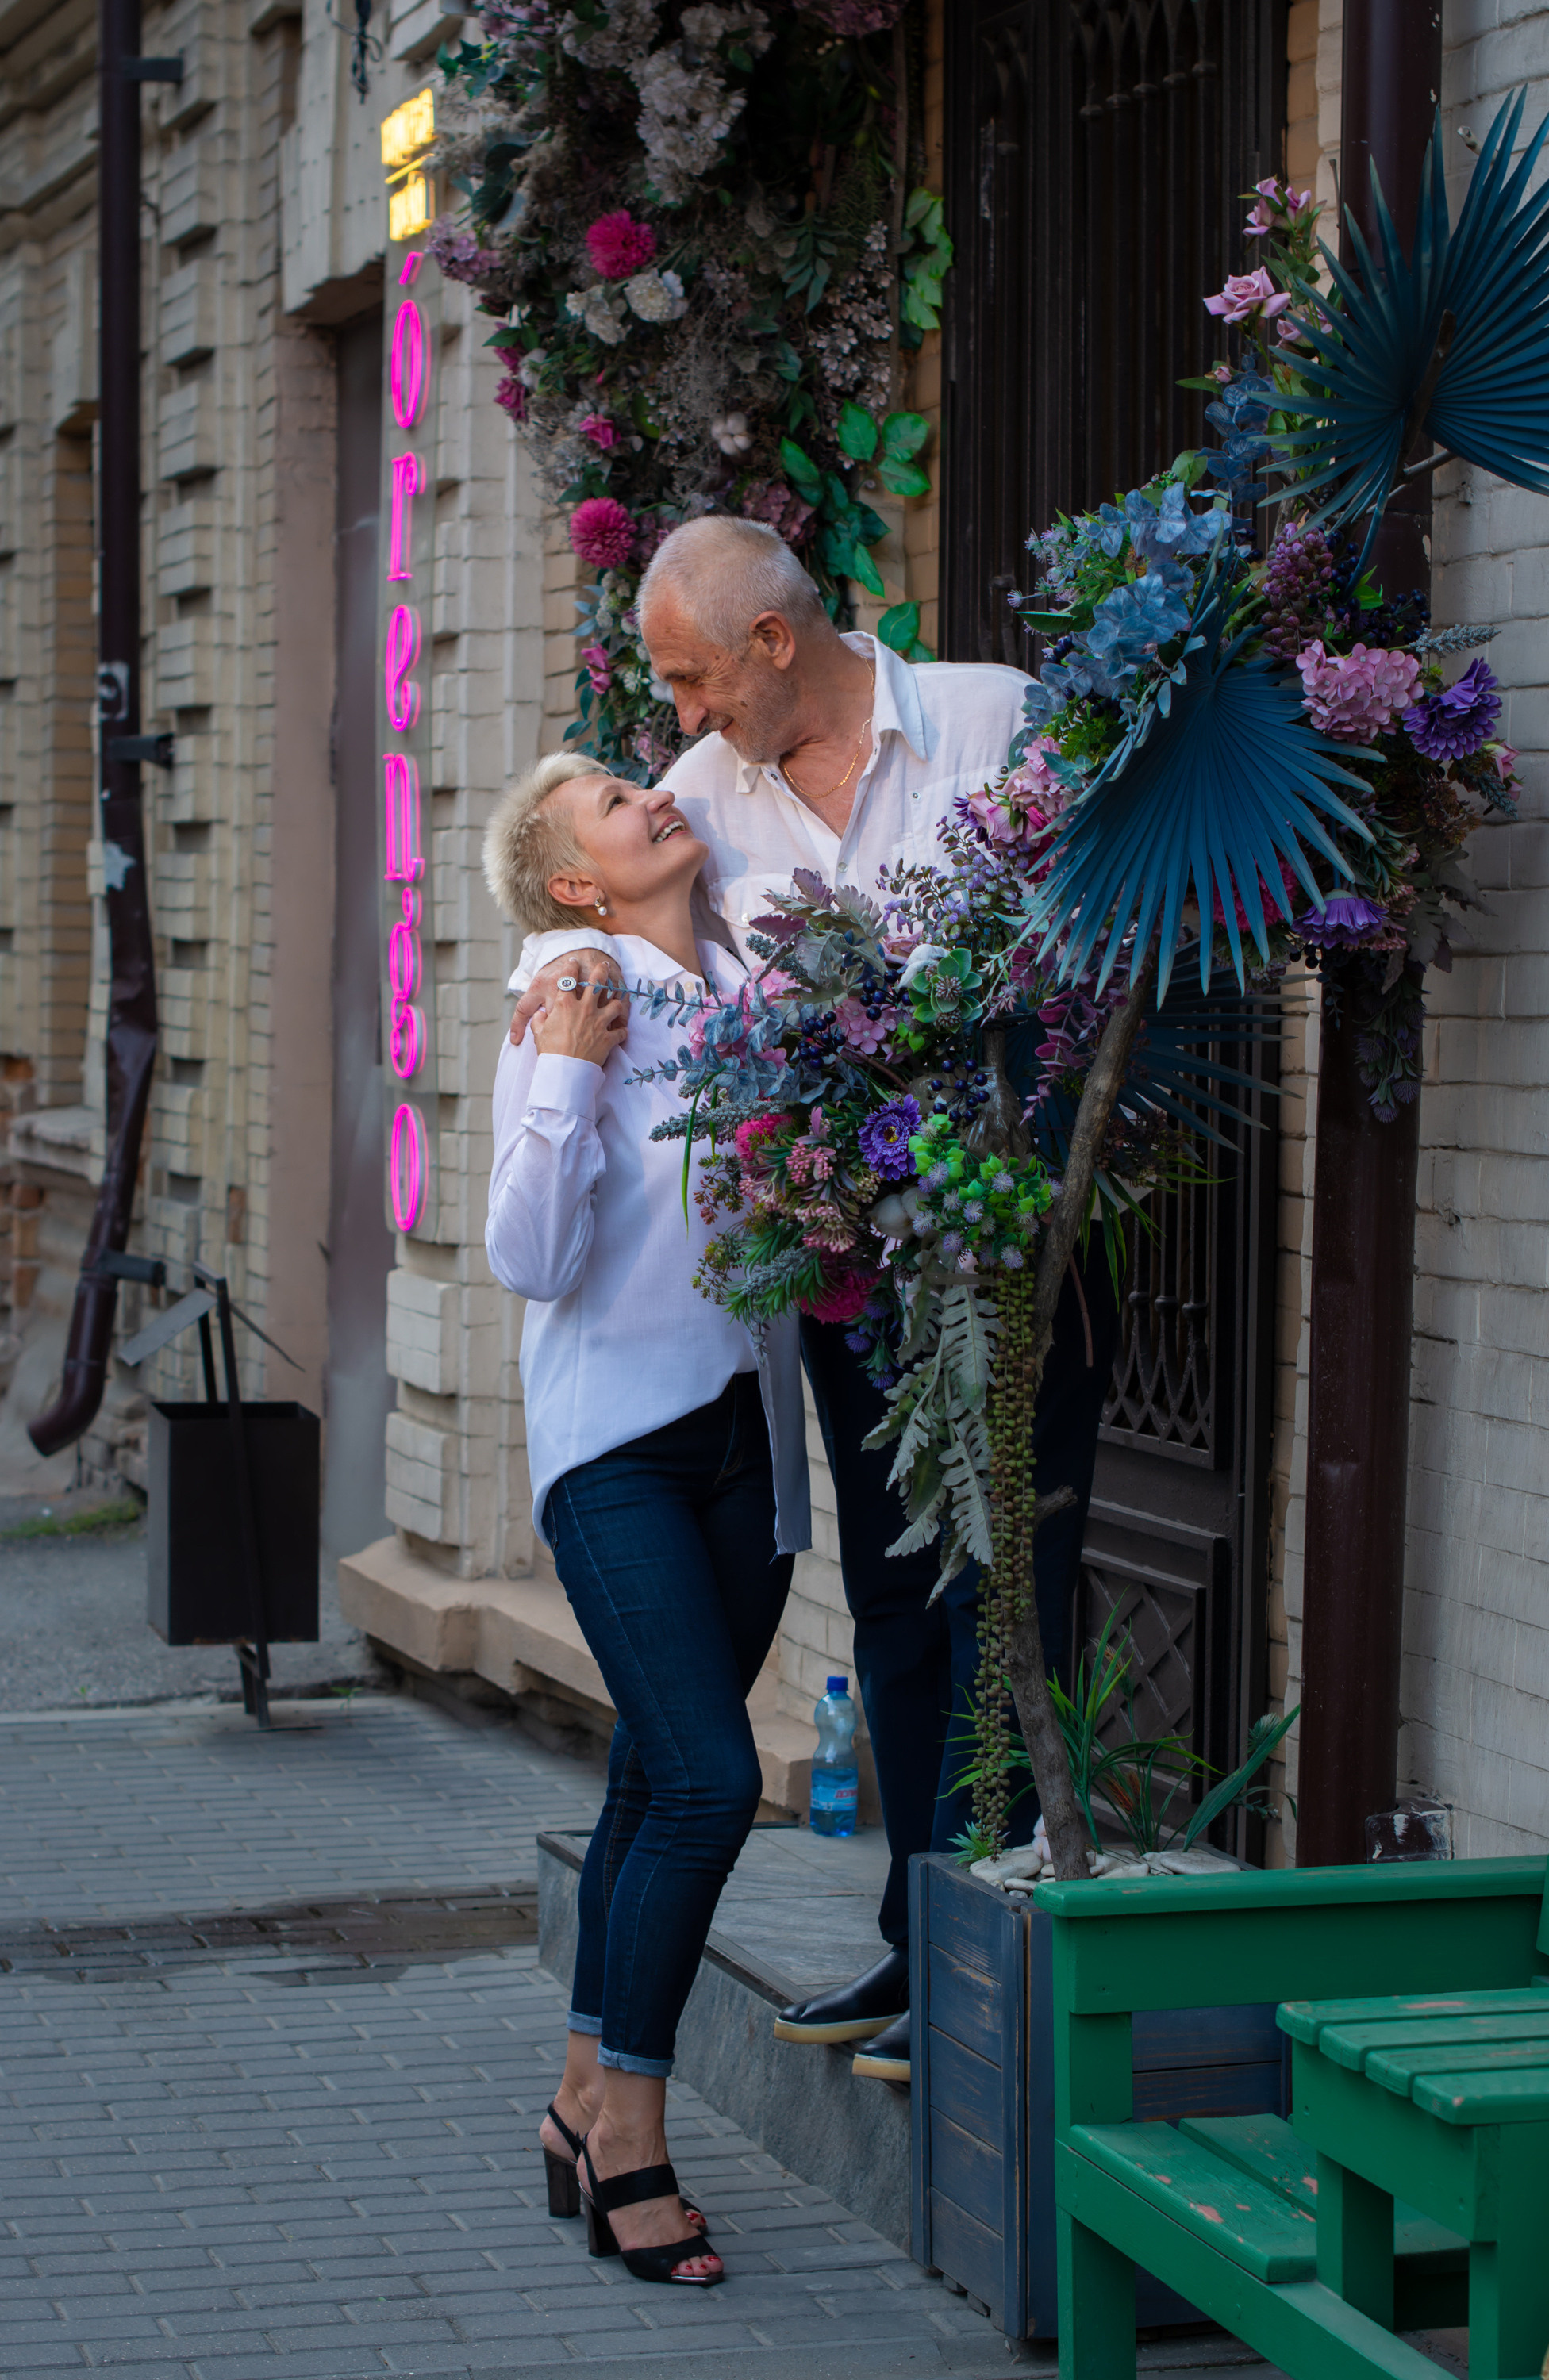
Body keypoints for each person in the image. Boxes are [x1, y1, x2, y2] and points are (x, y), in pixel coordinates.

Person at [508, 517, 1121, 2083]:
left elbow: (1110, 926)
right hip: (857, 1274)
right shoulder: (701, 802)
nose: (682, 715)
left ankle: (1001, 1952)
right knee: (903, 1607)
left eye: (695, 677)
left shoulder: (993, 719)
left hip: (1019, 1248)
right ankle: (923, 1940)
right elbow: (607, 936)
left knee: (1013, 1596)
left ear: (774, 641)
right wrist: (552, 994)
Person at [483, 752, 809, 2282]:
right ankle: (631, 2135)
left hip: (749, 1444)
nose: (652, 797)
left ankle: (573, 2097)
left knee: (648, 1775)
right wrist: (564, 1070)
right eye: (615, 803)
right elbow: (528, 1260)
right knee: (708, 1782)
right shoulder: (576, 987)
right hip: (616, 1449)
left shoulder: (743, 983)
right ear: (574, 884)